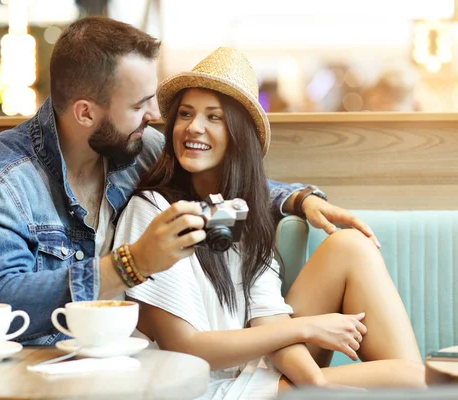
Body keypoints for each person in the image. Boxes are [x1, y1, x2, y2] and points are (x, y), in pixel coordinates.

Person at [0, 17, 380, 349]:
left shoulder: (134, 147)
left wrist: (297, 199)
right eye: (141, 103)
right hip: (26, 369)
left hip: (111, 365)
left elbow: (214, 171)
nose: (155, 116)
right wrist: (130, 264)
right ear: (86, 113)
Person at [114, 47, 425, 399]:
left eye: (213, 117)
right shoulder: (152, 210)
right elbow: (185, 348)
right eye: (185, 114)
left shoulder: (238, 214)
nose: (193, 127)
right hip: (200, 387)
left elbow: (269, 319)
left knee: (351, 247)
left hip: (250, 373)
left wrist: (316, 382)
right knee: (412, 381)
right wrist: (308, 328)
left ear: (238, 135)